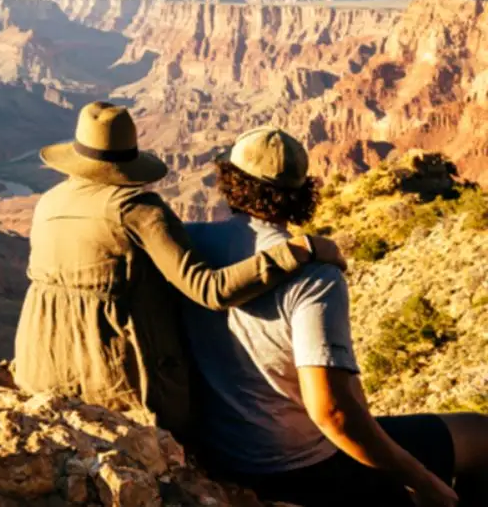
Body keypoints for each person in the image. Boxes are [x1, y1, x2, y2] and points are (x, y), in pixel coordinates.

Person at [182, 126, 488, 507]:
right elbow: (332, 413)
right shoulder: (315, 278)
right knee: (480, 435)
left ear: (230, 180)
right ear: (302, 193)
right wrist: (425, 482)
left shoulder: (186, 247)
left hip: (217, 456)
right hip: (299, 467)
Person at [13, 102, 345, 439]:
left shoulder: (49, 202)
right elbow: (210, 290)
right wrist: (298, 251)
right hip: (114, 381)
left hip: (41, 367)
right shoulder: (136, 209)